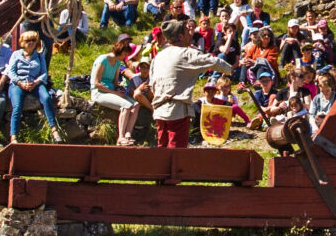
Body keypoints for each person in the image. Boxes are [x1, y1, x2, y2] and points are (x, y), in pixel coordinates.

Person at [148, 20, 230, 150]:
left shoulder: (158, 56)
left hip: (159, 110)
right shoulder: (187, 53)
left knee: (162, 150)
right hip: (177, 111)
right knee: (176, 154)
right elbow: (214, 62)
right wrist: (232, 68)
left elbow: (152, 84)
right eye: (187, 31)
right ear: (180, 36)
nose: (191, 34)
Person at [5, 28, 60, 141]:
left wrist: (35, 82)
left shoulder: (39, 56)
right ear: (22, 43)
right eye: (28, 40)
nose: (31, 42)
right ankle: (14, 135)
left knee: (46, 98)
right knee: (17, 105)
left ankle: (54, 129)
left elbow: (44, 73)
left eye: (33, 40)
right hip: (18, 83)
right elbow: (11, 72)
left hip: (35, 83)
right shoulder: (16, 54)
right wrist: (20, 83)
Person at [89, 37, 142, 144]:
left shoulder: (117, 63)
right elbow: (96, 83)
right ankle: (121, 137)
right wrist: (115, 92)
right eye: (125, 54)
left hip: (111, 90)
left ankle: (128, 134)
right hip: (99, 92)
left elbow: (114, 82)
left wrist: (119, 88)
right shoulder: (103, 60)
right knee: (126, 106)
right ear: (121, 51)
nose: (126, 57)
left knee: (136, 105)